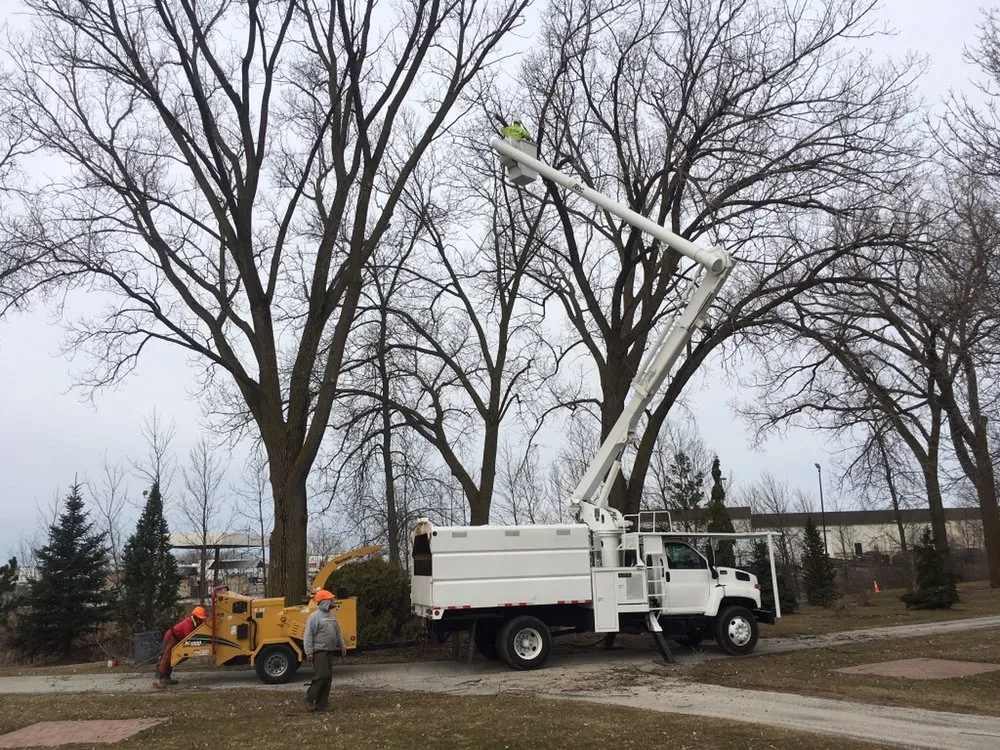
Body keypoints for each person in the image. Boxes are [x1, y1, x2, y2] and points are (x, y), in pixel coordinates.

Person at [303, 589, 347, 713]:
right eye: (331, 599)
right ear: (324, 602)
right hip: (319, 651)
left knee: (328, 678)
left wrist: (342, 645)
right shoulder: (314, 617)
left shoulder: (332, 617)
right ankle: (309, 697)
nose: (333, 601)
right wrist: (309, 652)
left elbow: (338, 632)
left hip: (329, 651)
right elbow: (308, 636)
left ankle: (322, 705)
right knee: (322, 675)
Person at [153, 605, 207, 689]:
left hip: (177, 639)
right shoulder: (188, 623)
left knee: (173, 658)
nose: (201, 620)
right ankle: (157, 679)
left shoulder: (195, 622)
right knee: (166, 657)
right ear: (196, 617)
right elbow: (189, 639)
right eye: (200, 618)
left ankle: (166, 677)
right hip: (171, 638)